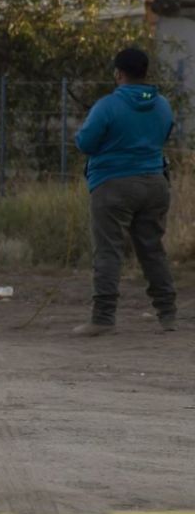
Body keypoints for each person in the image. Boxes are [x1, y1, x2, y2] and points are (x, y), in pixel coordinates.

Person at [73, 48, 178, 336]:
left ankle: (103, 318)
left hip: (113, 184)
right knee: (152, 249)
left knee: (108, 250)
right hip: (155, 182)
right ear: (145, 72)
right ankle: (167, 314)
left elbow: (86, 143)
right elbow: (166, 134)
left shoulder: (107, 106)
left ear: (118, 73)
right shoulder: (163, 105)